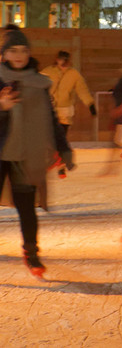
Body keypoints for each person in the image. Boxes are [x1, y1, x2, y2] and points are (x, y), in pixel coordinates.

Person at [0, 26, 70, 277]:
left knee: (27, 207)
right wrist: (2, 107)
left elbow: (51, 119)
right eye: (13, 50)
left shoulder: (40, 84)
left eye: (23, 50)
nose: (19, 55)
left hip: (25, 154)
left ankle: (31, 253)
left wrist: (63, 147)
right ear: (4, 54)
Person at [42, 50, 93, 176]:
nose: (64, 63)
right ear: (57, 60)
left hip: (65, 111)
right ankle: (58, 161)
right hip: (49, 109)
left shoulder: (74, 74)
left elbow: (82, 89)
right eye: (61, 60)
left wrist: (90, 104)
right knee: (51, 138)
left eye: (66, 60)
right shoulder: (48, 72)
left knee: (62, 138)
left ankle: (62, 163)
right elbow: (36, 84)